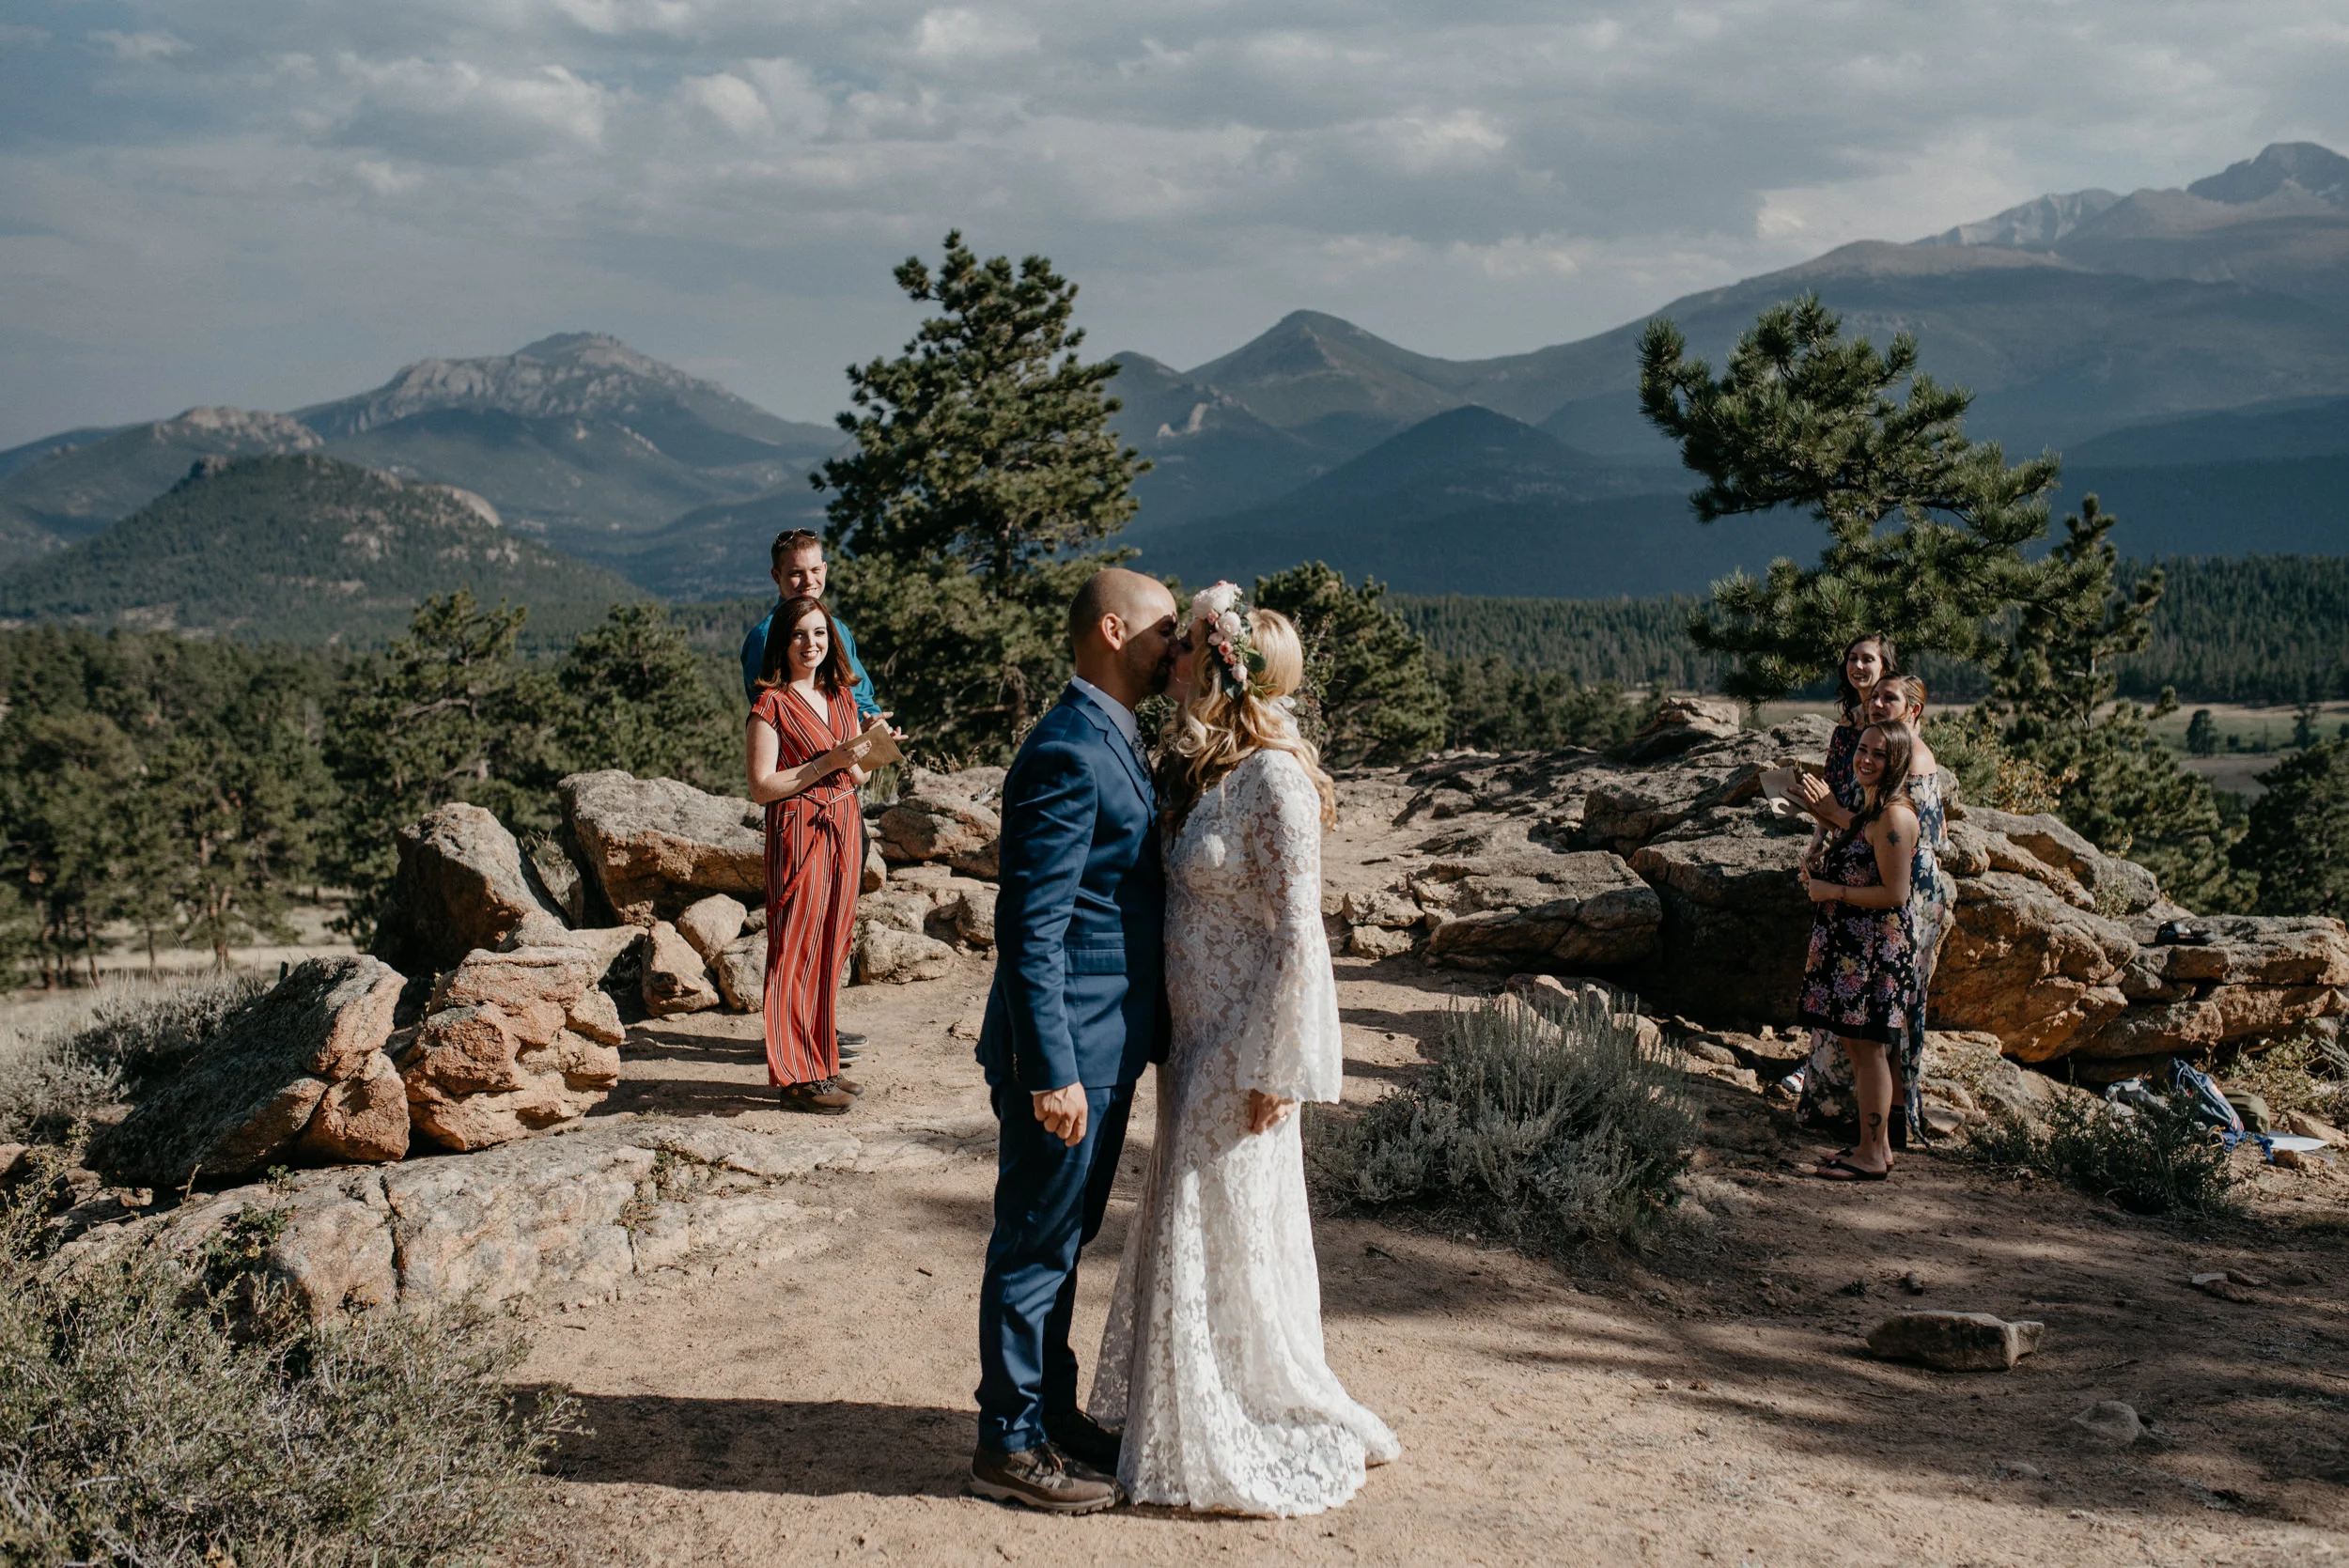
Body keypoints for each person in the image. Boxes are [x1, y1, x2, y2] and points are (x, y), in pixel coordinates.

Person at [1090, 582, 1400, 1517]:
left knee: (1216, 1213)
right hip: (1191, 1040)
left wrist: (1282, 1064)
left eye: (1186, 647)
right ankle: (1180, 1406)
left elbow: (1301, 935)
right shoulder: (1205, 770)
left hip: (1244, 1041)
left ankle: (1230, 1413)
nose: (1170, 661)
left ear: (1225, 667)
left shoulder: (1275, 780)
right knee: (1198, 1219)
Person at [970, 567, 1180, 1515]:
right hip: (1066, 1052)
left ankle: (1049, 1413)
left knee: (1065, 1239)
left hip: (1108, 1042)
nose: (1175, 643)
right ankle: (1005, 1442)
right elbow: (1033, 924)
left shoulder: (1117, 739)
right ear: (1110, 629)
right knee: (1033, 1244)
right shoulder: (1066, 749)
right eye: (1163, 628)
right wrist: (1048, 1067)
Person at [741, 528, 885, 1065]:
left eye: (816, 570)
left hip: (843, 804)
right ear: (777, 577)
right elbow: (773, 748)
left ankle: (818, 1037)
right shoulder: (767, 648)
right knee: (798, 933)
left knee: (833, 929)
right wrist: (829, 757)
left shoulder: (837, 635)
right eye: (797, 572)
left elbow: (856, 693)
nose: (809, 580)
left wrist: (872, 736)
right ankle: (793, 1050)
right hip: (801, 811)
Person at [1796, 722, 1921, 1182]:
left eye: (1880, 755)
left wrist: (1834, 891)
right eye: (1862, 750)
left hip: (1875, 950)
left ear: (1899, 763)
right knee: (1858, 1044)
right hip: (1853, 945)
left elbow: (1896, 894)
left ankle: (1869, 1156)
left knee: (1870, 1050)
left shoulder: (1895, 816)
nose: (1865, 759)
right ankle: (1877, 1146)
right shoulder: (1870, 806)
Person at [1789, 632, 1899, 1139]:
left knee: (1872, 1014)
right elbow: (1832, 804)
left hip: (1877, 876)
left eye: (1868, 660)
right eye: (1852, 658)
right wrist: (1819, 836)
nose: (1859, 667)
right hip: (1843, 858)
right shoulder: (1843, 734)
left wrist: (1837, 819)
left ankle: (1876, 1131)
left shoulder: (1895, 738)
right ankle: (1829, 1101)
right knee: (1836, 994)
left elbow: (1879, 815)